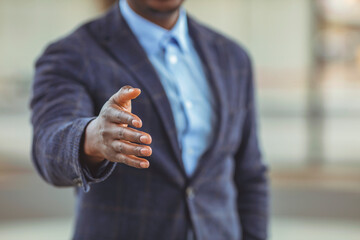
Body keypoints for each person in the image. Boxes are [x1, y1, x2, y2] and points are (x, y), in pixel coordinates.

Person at [30, 0, 269, 239]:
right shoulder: (73, 53)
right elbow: (48, 144)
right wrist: (93, 137)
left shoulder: (233, 58)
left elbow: (249, 173)